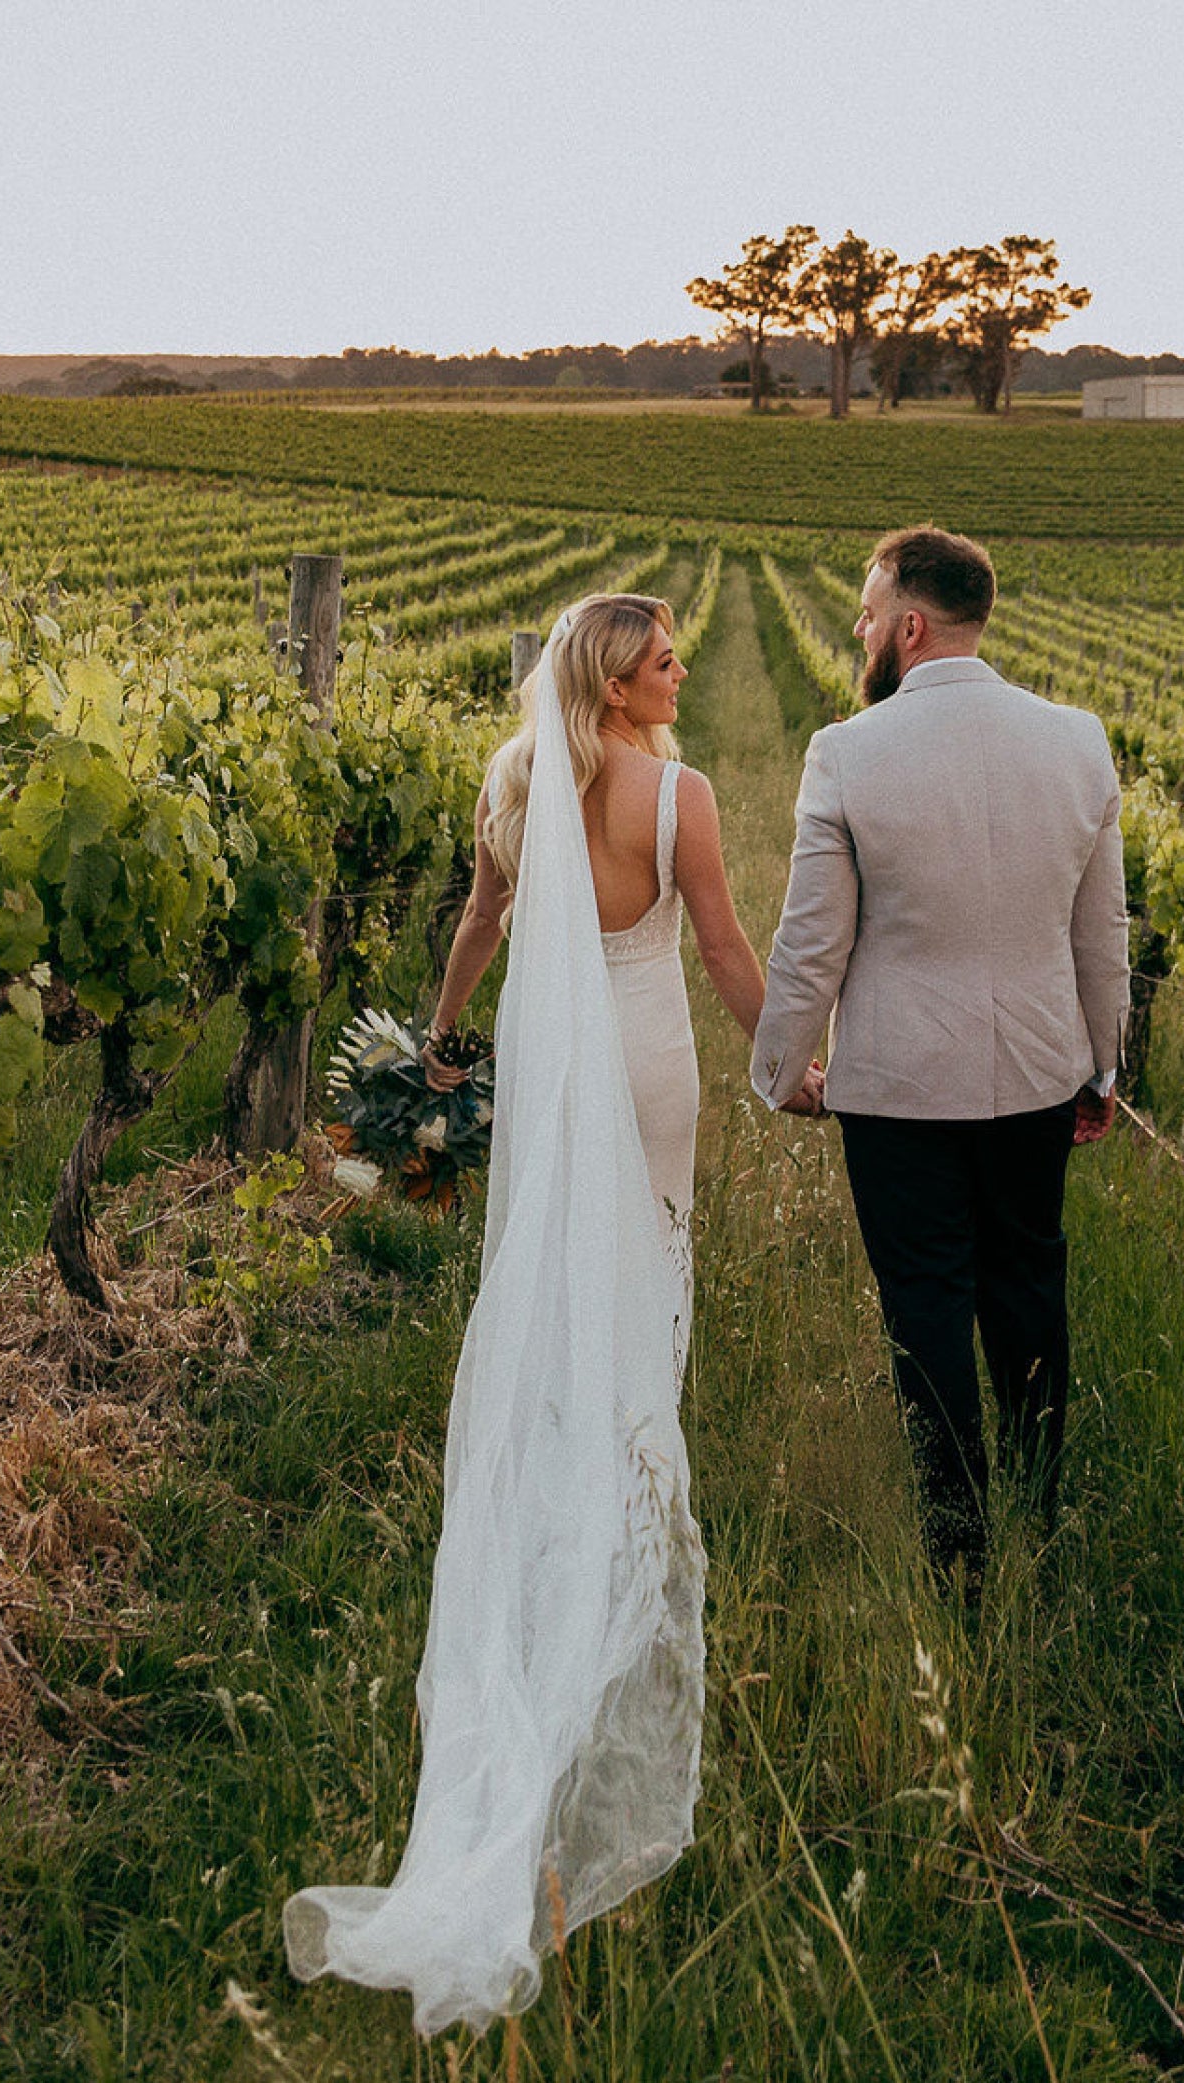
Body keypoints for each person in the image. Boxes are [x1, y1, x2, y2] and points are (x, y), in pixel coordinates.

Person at [283, 592, 779, 2037]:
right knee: (647, 1286)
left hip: (557, 1061)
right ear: (620, 684)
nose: (681, 668)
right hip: (649, 1060)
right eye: (665, 655)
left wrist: (442, 1039)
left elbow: (483, 918)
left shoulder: (514, 781)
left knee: (555, 1268)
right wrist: (795, 1062)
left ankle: (564, 1450)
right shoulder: (676, 793)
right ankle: (626, 1474)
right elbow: (728, 951)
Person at [750, 526, 1131, 1584]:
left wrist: (780, 1072)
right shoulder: (1078, 740)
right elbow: (1101, 932)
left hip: (898, 1090)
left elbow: (812, 939)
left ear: (910, 627)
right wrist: (1102, 1066)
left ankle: (956, 1545)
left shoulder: (848, 752)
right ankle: (1040, 1514)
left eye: (869, 615)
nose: (861, 631)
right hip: (1039, 1076)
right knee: (1029, 1285)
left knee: (925, 1303)